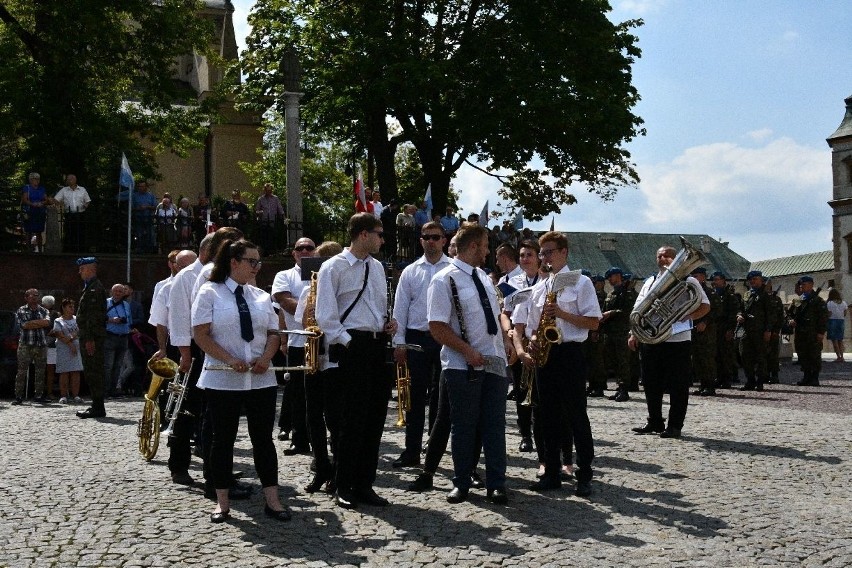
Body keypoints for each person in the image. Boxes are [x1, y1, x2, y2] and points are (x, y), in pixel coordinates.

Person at [192, 238, 290, 523]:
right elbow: (201, 334)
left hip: (260, 379)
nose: (257, 267)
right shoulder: (209, 292)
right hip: (223, 379)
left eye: (259, 262)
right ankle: (222, 503)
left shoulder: (260, 296)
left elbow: (274, 333)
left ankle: (272, 500)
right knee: (222, 440)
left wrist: (266, 358)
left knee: (264, 440)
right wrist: (229, 359)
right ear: (233, 262)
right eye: (251, 261)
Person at [315, 213, 397, 509]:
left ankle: (364, 483)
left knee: (375, 418)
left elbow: (377, 307)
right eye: (379, 233)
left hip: (376, 344)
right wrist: (349, 343)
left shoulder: (377, 268)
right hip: (351, 345)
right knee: (351, 420)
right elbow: (325, 315)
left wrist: (388, 324)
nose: (382, 239)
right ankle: (343, 483)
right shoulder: (332, 266)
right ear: (363, 234)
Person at [427, 222, 511, 505]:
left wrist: (507, 342)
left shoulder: (485, 279)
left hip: (494, 359)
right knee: (463, 425)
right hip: (462, 364)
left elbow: (497, 313)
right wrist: (466, 350)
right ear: (474, 246)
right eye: (486, 246)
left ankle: (497, 483)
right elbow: (437, 326)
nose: (488, 252)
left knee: (495, 425)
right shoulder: (444, 279)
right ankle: (461, 482)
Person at [515, 232, 601, 497]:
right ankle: (551, 471)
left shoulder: (581, 281)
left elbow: (594, 322)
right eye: (542, 253)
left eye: (548, 252)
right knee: (546, 415)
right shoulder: (541, 286)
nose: (544, 258)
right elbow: (530, 324)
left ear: (564, 252)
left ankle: (584, 473)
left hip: (570, 352)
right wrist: (531, 341)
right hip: (545, 354)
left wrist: (562, 314)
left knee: (576, 413)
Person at [629, 245, 710, 439]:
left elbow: (705, 306)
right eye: (660, 256)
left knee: (678, 384)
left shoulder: (688, 280)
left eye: (668, 256)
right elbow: (637, 310)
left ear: (676, 259)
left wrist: (688, 315)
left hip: (677, 339)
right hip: (652, 338)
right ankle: (655, 421)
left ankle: (675, 426)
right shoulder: (649, 281)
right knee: (650, 383)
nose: (663, 258)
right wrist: (633, 334)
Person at [391, 221, 451, 469]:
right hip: (416, 339)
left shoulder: (453, 270)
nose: (431, 241)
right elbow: (400, 309)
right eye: (426, 237)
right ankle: (411, 450)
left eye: (435, 237)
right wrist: (399, 342)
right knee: (413, 399)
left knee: (441, 399)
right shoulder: (410, 271)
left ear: (444, 240)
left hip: (445, 338)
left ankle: (434, 451)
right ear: (421, 241)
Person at [294, 240, 344, 494]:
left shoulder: (341, 289)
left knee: (335, 418)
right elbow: (303, 323)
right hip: (313, 359)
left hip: (334, 361)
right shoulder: (308, 290)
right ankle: (321, 465)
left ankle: (337, 469)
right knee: (312, 416)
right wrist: (312, 306)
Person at [271, 237, 318, 454]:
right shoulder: (284, 276)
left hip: (322, 341)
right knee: (297, 393)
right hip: (299, 340)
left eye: (309, 247)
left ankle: (318, 438)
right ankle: (299, 439)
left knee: (319, 394)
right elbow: (284, 301)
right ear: (294, 253)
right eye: (301, 248)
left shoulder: (324, 272)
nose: (305, 251)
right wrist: (313, 313)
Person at [502, 239, 542, 452]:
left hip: (540, 341)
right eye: (522, 255)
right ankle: (525, 434)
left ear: (538, 257)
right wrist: (508, 333)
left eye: (529, 255)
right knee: (521, 389)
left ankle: (542, 434)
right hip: (519, 340)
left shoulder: (546, 279)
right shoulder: (512, 282)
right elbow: (505, 313)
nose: (525, 259)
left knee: (541, 391)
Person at [75, 257, 108, 419]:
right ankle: (96, 405)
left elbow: (93, 317)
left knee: (94, 371)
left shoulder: (95, 289)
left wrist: (89, 339)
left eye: (82, 269)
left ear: (91, 269)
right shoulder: (90, 287)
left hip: (92, 337)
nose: (79, 272)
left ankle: (98, 406)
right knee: (91, 371)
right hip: (90, 336)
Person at [601, 266, 635, 402]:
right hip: (610, 333)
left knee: (623, 361)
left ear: (619, 276)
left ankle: (624, 389)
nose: (609, 279)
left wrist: (612, 313)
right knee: (614, 361)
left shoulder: (627, 292)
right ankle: (619, 388)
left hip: (622, 332)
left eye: (612, 276)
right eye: (608, 277)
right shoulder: (611, 294)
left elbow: (630, 311)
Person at [787, 276, 829, 386]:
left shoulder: (818, 301)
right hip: (801, 332)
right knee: (802, 354)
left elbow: (823, 317)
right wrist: (790, 320)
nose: (802, 287)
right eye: (801, 285)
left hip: (813, 332)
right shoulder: (797, 300)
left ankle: (814, 377)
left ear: (811, 285)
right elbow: (789, 314)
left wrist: (821, 332)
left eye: (804, 284)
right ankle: (806, 376)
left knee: (814, 355)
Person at [12, 288, 51, 404]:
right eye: (32, 296)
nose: (35, 297)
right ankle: (18, 396)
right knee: (22, 371)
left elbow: (47, 322)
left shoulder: (44, 310)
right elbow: (24, 325)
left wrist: (32, 323)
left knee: (40, 371)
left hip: (41, 344)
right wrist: (39, 322)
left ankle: (38, 395)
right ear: (26, 298)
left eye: (36, 295)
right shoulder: (21, 310)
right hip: (25, 344)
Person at [737, 270, 772, 391]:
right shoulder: (746, 295)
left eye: (755, 279)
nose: (753, 281)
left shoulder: (765, 296)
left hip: (760, 330)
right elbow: (740, 309)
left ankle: (760, 381)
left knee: (760, 357)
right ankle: (750, 380)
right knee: (745, 356)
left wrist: (768, 330)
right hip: (747, 330)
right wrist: (739, 315)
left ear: (761, 280)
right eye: (751, 279)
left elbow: (770, 315)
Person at [689, 267, 720, 396]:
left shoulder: (710, 293)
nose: (694, 279)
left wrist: (705, 322)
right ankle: (702, 384)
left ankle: (710, 386)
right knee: (697, 358)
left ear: (703, 277)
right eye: (693, 276)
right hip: (693, 329)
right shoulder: (691, 292)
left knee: (707, 358)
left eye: (697, 276)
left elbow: (717, 311)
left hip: (707, 331)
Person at [710, 272, 740, 389]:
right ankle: (719, 378)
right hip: (715, 330)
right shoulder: (714, 295)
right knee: (716, 355)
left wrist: (731, 329)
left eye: (717, 279)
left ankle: (727, 379)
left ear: (723, 281)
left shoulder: (730, 297)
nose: (715, 282)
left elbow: (733, 314)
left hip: (725, 329)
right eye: (713, 280)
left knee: (726, 355)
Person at [52, 298, 84, 404]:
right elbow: (59, 334)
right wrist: (70, 344)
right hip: (63, 349)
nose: (72, 309)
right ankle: (64, 396)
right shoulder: (58, 321)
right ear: (64, 308)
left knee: (76, 371)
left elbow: (79, 331)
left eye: (73, 306)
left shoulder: (77, 319)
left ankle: (76, 395)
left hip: (76, 348)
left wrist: (70, 338)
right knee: (64, 371)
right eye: (70, 306)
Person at [104, 284, 132, 397]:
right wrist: (111, 320)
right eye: (116, 291)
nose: (118, 293)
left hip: (123, 337)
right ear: (111, 292)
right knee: (108, 365)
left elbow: (129, 320)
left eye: (120, 291)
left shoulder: (126, 304)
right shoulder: (106, 303)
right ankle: (105, 390)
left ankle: (113, 389)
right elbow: (99, 317)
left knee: (118, 366)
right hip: (110, 336)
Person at [52, 173, 92, 253]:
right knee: (70, 232)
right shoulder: (64, 190)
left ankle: (81, 249)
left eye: (71, 179)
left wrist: (85, 206)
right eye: (68, 179)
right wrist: (61, 205)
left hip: (80, 214)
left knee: (80, 232)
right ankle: (70, 249)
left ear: (75, 180)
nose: (69, 181)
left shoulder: (82, 189)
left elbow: (87, 200)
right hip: (69, 214)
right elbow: (56, 199)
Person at [20, 172, 49, 253]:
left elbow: (46, 199)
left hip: (39, 211)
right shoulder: (27, 188)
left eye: (38, 179)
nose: (36, 180)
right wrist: (33, 204)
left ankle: (40, 251)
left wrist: (41, 203)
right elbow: (24, 199)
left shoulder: (42, 188)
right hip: (30, 211)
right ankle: (29, 250)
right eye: (34, 178)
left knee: (39, 231)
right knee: (28, 231)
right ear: (30, 180)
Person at [255, 183, 285, 256]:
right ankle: (265, 252)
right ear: (264, 190)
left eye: (270, 190)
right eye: (267, 190)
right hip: (264, 221)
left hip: (273, 221)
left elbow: (280, 209)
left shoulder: (275, 198)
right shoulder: (261, 199)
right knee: (265, 237)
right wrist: (260, 212)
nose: (268, 192)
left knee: (273, 236)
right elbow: (256, 210)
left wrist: (283, 217)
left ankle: (273, 251)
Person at [41, 295, 59, 400]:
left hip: (50, 344)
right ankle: (46, 392)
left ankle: (47, 392)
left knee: (48, 369)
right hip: (45, 344)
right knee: (47, 370)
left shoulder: (55, 314)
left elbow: (56, 329)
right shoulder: (40, 312)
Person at [826, 288, 847, 362]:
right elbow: (845, 313)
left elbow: (829, 314)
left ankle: (838, 357)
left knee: (834, 340)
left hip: (832, 321)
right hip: (841, 321)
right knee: (840, 341)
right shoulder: (843, 303)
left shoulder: (829, 303)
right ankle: (842, 356)